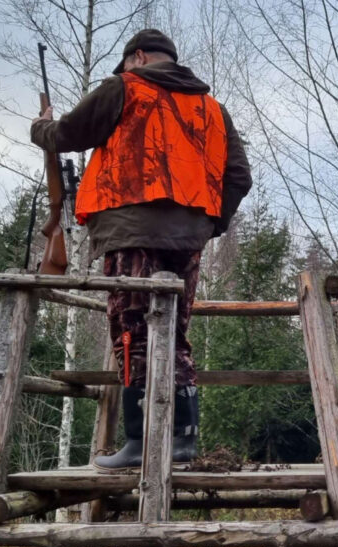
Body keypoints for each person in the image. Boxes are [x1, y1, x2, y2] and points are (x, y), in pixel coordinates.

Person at [31, 29, 252, 471]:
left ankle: (139, 440)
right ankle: (183, 440)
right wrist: (208, 224)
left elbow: (68, 133)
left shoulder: (124, 87)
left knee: (132, 333)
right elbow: (239, 177)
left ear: (136, 58)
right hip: (187, 241)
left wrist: (41, 127)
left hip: (130, 232)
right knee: (174, 334)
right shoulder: (212, 109)